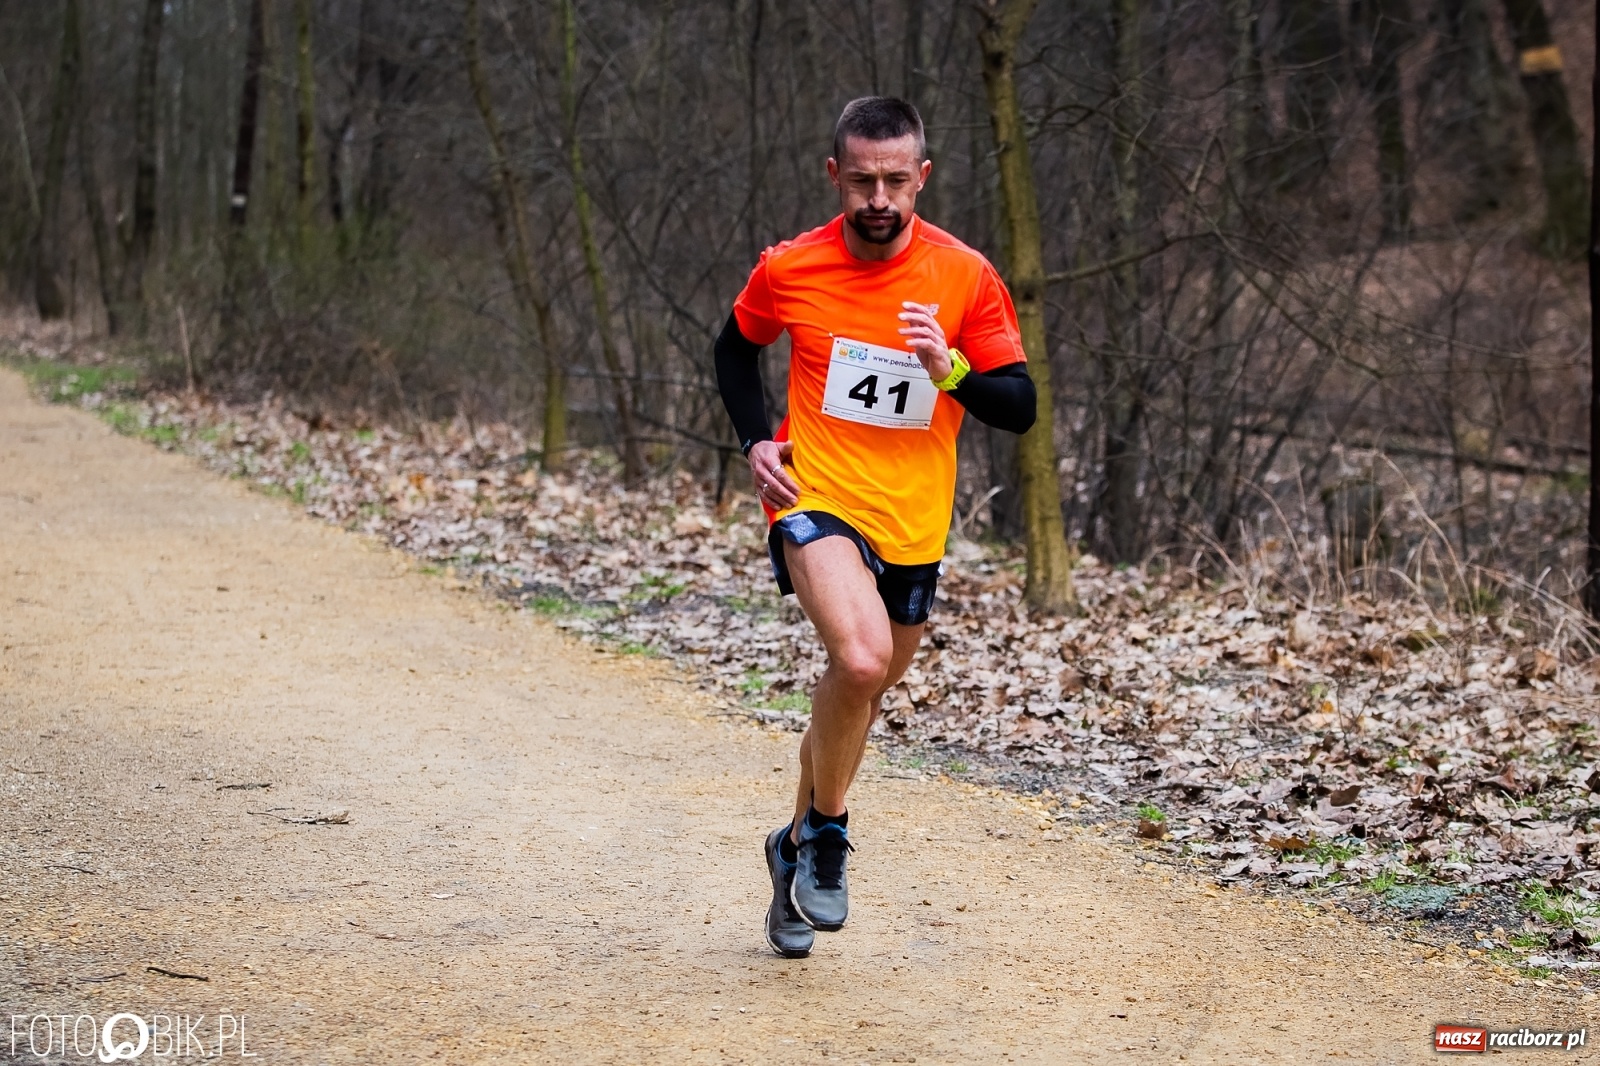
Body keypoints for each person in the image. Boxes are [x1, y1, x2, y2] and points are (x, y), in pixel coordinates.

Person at [714, 96, 1038, 959]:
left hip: (914, 522)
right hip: (815, 495)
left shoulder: (965, 277)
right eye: (862, 181)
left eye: (897, 179)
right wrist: (755, 441)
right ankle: (828, 831)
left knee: (862, 687)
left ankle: (789, 850)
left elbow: (1021, 408)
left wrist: (952, 367)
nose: (879, 198)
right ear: (835, 176)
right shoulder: (792, 267)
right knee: (856, 661)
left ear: (922, 177)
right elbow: (733, 348)